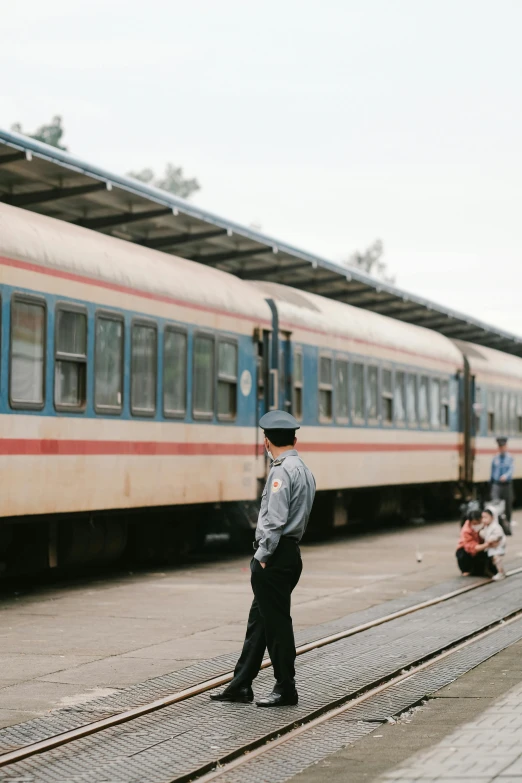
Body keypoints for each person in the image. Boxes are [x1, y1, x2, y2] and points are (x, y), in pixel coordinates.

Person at [211, 410, 316, 707]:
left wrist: (263, 556)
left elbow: (274, 519)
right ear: (294, 439)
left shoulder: (281, 471)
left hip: (276, 555)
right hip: (290, 553)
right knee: (260, 621)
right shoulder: (304, 469)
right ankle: (241, 684)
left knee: (277, 625)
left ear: (266, 442)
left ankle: (286, 688)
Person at [456, 509, 496, 577]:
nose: (477, 525)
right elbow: (472, 548)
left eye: (479, 522)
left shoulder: (485, 524)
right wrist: (487, 544)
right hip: (468, 552)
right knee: (463, 553)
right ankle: (466, 570)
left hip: (482, 548)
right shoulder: (466, 530)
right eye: (474, 523)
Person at [491, 437, 514, 534]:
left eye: (503, 446)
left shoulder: (509, 458)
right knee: (495, 504)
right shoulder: (495, 458)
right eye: (500, 447)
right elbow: (492, 470)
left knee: (508, 505)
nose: (501, 448)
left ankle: (507, 524)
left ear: (506, 447)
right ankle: (496, 525)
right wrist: (491, 482)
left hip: (506, 484)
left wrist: (506, 476)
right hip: (496, 484)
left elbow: (511, 470)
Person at [480, 508, 506, 580]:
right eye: (482, 517)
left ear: (492, 517)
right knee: (495, 560)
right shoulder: (486, 527)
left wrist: (492, 539)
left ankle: (501, 573)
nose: (484, 520)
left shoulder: (495, 526)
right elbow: (484, 534)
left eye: (486, 517)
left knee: (497, 559)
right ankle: (500, 572)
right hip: (492, 547)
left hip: (497, 546)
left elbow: (499, 535)